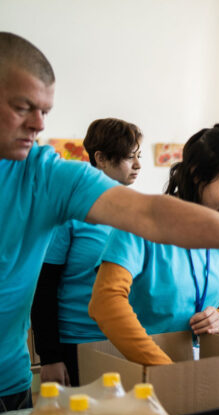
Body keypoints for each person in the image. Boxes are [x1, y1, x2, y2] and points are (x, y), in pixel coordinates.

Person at [0, 32, 219, 411]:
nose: (38, 125)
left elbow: (149, 212)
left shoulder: (44, 175)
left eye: (46, 111)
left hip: (9, 382)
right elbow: (84, 294)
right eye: (24, 107)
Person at [89, 124, 219, 364]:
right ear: (197, 174)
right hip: (141, 371)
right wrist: (162, 368)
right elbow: (105, 302)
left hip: (197, 371)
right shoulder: (141, 224)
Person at [30, 118, 143, 386]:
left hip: (126, 338)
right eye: (130, 157)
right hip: (78, 344)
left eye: (139, 156)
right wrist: (50, 357)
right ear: (101, 158)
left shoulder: (135, 212)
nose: (139, 165)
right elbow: (43, 286)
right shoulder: (70, 215)